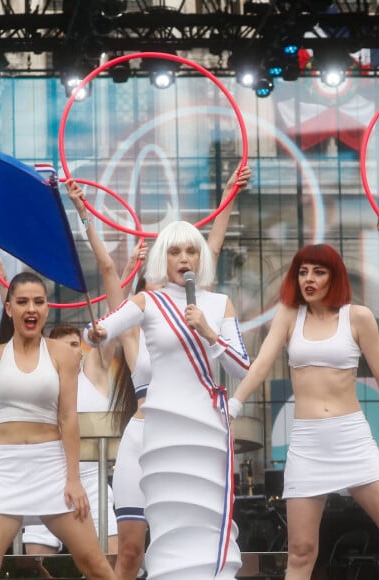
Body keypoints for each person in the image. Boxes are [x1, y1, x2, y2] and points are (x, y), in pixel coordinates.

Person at [67, 166, 251, 579]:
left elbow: (241, 365)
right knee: (130, 549)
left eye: (191, 251)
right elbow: (104, 306)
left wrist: (227, 199)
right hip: (146, 435)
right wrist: (84, 214)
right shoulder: (145, 308)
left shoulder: (214, 305)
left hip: (200, 432)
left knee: (198, 538)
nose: (184, 259)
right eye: (173, 251)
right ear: (160, 257)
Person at [228, 243, 379, 580]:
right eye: (303, 271)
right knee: (302, 551)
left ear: (334, 276)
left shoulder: (357, 316)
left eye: (319, 271)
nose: (309, 278)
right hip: (307, 444)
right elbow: (261, 365)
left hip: (352, 438)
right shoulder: (289, 315)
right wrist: (233, 405)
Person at [0, 270, 116, 580]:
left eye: (39, 302)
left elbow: (68, 418)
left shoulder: (63, 354)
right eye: (22, 302)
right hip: (4, 471)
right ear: (9, 308)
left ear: (47, 308)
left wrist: (74, 479)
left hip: (51, 468)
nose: (31, 309)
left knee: (96, 566)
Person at [0, 250, 120, 556]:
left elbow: (118, 311)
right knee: (37, 564)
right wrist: (1, 278)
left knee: (105, 563)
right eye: (65, 345)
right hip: (48, 468)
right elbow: (15, 338)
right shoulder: (44, 372)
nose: (73, 351)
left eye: (77, 345)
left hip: (90, 475)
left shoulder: (95, 370)